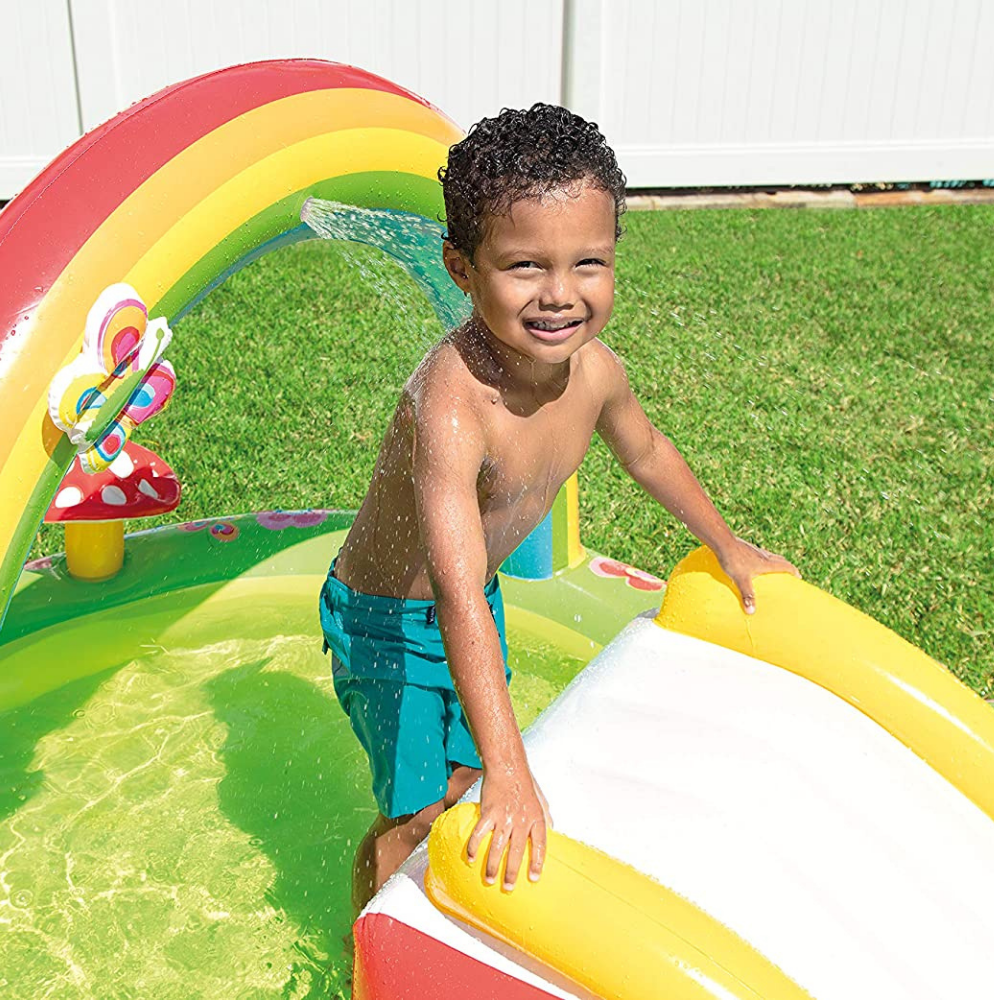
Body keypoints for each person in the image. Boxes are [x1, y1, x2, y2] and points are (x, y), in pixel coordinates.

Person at [320, 103, 798, 914]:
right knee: (415, 810)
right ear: (461, 268)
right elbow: (453, 587)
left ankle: (446, 910)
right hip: (388, 619)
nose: (560, 295)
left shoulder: (596, 373)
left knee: (468, 778)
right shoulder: (453, 404)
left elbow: (645, 452)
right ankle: (365, 945)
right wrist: (516, 769)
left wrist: (728, 543)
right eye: (524, 267)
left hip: (473, 603)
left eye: (588, 263)